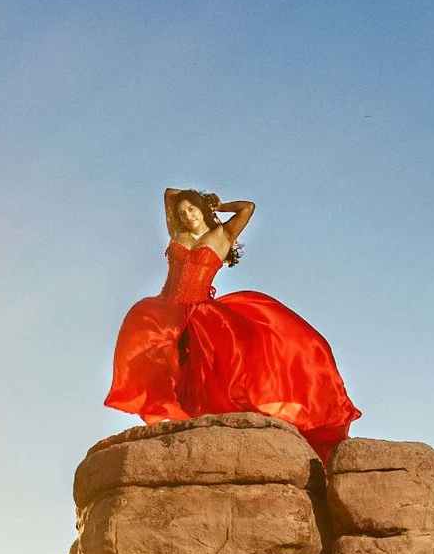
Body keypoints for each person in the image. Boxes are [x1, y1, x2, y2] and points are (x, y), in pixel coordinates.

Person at [105, 188, 360, 462]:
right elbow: (170, 194)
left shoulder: (223, 235)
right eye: (183, 212)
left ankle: (200, 423)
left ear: (202, 210)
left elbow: (248, 207)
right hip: (167, 308)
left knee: (209, 370)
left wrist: (218, 205)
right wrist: (190, 198)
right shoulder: (177, 233)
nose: (187, 215)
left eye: (192, 209)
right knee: (148, 339)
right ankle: (170, 414)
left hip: (200, 310)